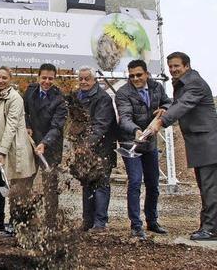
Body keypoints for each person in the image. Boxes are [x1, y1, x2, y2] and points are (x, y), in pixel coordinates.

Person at [148, 52, 217, 241]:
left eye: (176, 66)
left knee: (211, 189)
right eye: (170, 66)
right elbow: (178, 104)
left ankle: (211, 230)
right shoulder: (184, 83)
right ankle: (208, 226)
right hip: (200, 144)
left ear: (187, 66)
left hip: (208, 144)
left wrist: (161, 121)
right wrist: (167, 109)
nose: (172, 69)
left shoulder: (194, 83)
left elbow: (184, 105)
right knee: (205, 188)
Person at [115, 59, 170, 240]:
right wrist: (135, 130)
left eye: (139, 75)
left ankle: (152, 221)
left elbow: (168, 103)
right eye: (131, 76)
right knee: (136, 181)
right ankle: (136, 225)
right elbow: (124, 117)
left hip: (150, 143)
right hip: (130, 142)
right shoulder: (123, 93)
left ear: (146, 73)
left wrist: (163, 108)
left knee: (153, 183)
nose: (135, 78)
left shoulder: (156, 87)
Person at [0, 67, 36, 237]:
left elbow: (11, 125)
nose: (0, 81)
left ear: (10, 79)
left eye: (4, 78)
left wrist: (2, 152)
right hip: (2, 147)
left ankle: (15, 222)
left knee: (15, 186)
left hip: (15, 149)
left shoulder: (15, 98)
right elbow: (0, 120)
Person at [23, 63, 67, 228]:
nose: (47, 81)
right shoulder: (30, 91)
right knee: (26, 181)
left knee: (50, 184)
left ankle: (50, 222)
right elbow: (24, 112)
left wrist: (44, 143)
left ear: (54, 79)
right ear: (38, 77)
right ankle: (26, 219)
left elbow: (57, 127)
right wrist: (27, 126)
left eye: (50, 78)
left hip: (51, 146)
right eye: (44, 78)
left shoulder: (60, 99)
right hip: (30, 143)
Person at [76, 66, 117, 232]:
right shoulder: (77, 97)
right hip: (85, 149)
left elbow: (101, 126)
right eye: (81, 79)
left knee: (100, 184)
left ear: (94, 80)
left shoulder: (103, 99)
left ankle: (100, 222)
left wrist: (86, 144)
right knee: (87, 183)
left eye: (87, 79)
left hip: (102, 149)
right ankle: (87, 220)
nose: (84, 82)